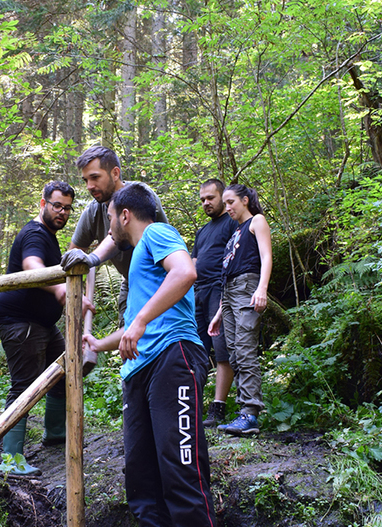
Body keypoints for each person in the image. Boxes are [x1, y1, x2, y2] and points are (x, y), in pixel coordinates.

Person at [77, 182, 217, 526]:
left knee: (180, 469)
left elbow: (186, 272)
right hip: (138, 370)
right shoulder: (139, 262)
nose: (108, 229)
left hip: (173, 356)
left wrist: (138, 321)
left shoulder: (157, 233)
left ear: (124, 215)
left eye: (110, 219)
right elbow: (137, 324)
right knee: (141, 480)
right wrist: (98, 344)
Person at [0, 181, 94, 476]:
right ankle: (10, 458)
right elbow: (32, 265)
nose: (61, 212)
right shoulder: (35, 233)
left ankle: (55, 436)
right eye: (56, 205)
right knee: (24, 385)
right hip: (20, 322)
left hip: (43, 325)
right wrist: (60, 288)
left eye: (67, 208)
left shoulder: (49, 235)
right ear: (43, 204)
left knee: (65, 372)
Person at [61, 144, 168, 322]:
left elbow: (119, 236)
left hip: (159, 280)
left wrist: (92, 259)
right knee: (126, 337)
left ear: (115, 173)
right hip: (131, 281)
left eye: (95, 177)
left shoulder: (139, 196)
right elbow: (74, 253)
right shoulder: (93, 211)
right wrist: (75, 295)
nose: (89, 186)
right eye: (85, 180)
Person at [207, 184, 272, 436]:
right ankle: (244, 412)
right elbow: (227, 272)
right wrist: (219, 313)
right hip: (229, 293)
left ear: (245, 200)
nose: (228, 207)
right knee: (233, 353)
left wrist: (262, 289)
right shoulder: (235, 232)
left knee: (245, 349)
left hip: (248, 287)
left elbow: (266, 257)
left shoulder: (257, 221)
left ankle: (250, 414)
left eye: (232, 202)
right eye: (226, 203)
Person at [190, 179, 237, 428]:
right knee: (196, 350)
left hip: (220, 290)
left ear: (222, 197)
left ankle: (218, 408)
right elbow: (194, 262)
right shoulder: (202, 231)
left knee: (221, 349)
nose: (206, 203)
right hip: (198, 292)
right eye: (203, 200)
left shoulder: (232, 222)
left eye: (211, 198)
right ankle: (192, 406)